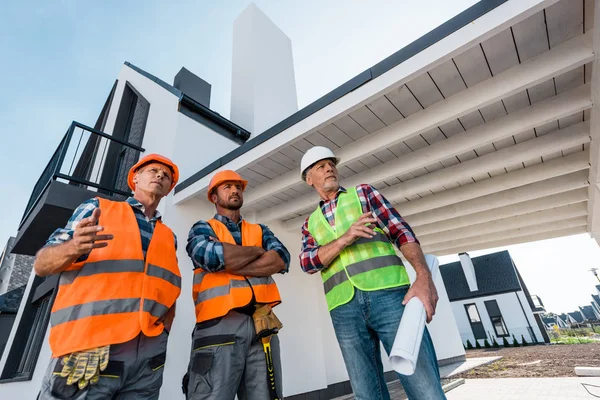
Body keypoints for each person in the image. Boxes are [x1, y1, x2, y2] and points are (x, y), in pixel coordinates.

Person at [299, 146, 446, 400]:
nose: (329, 168)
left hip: (390, 297)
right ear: (309, 179)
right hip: (343, 309)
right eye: (320, 166)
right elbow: (308, 262)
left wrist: (423, 276)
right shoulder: (309, 224)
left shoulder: (363, 194)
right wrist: (345, 238)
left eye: (331, 164)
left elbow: (401, 232)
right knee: (367, 394)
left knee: (425, 388)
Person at [35, 153, 181, 400]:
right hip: (89, 347)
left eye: (166, 176)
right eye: (153, 170)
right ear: (134, 177)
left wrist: (163, 333)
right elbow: (41, 264)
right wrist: (73, 247)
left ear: (167, 191)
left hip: (147, 359)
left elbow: (167, 287)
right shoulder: (98, 209)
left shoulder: (169, 236)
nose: (160, 175)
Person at [186, 170, 290, 400]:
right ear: (214, 197)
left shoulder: (260, 230)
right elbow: (209, 256)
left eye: (238, 187)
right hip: (219, 327)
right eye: (227, 187)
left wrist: (229, 261)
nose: (234, 190)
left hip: (263, 327)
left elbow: (281, 258)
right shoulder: (203, 228)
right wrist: (257, 251)